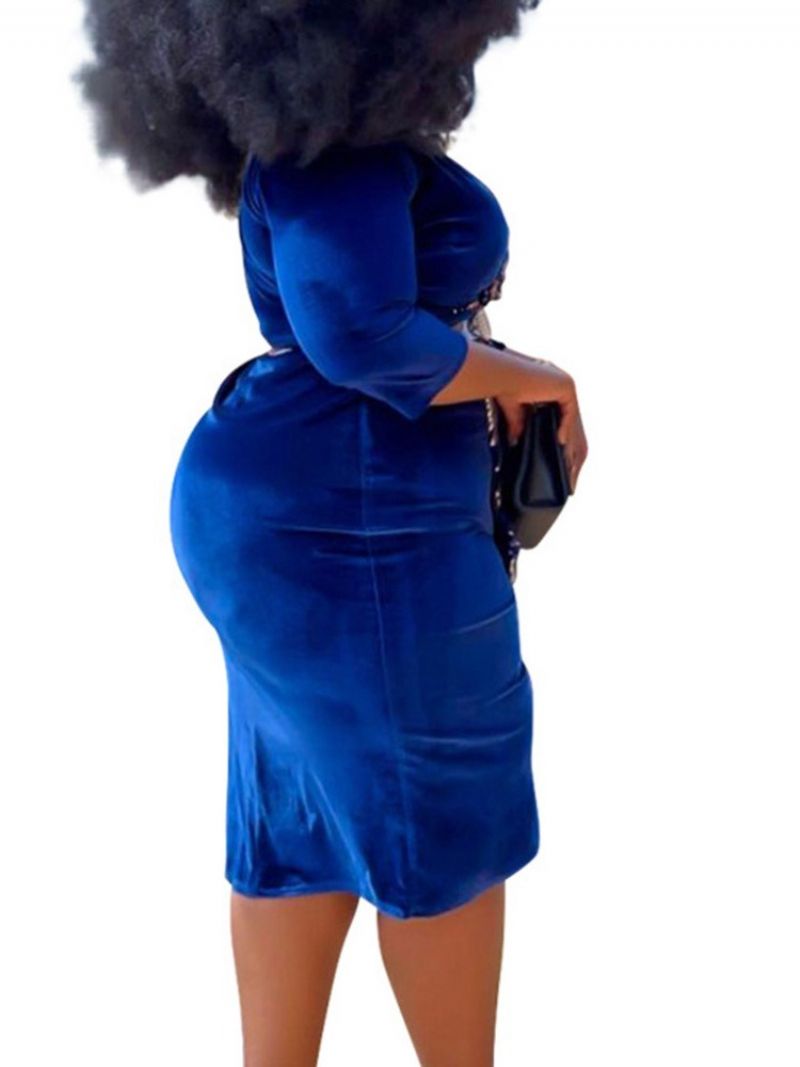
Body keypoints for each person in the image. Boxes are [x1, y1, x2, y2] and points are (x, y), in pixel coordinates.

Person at [73, 2, 588, 1063]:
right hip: (351, 522)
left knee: (302, 815)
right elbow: (357, 335)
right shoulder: (333, 146)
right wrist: (537, 380)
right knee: (443, 809)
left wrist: (487, 373)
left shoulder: (329, 130)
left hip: (319, 509)